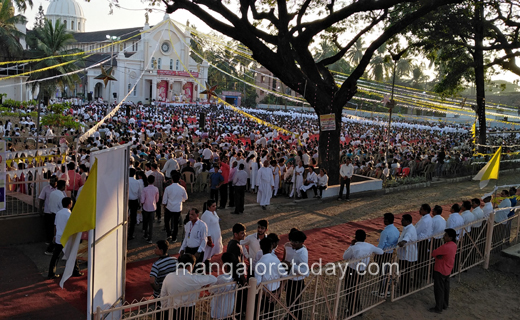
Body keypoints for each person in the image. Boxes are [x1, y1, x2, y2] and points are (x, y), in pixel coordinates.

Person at [160, 254, 217, 320]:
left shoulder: (168, 277)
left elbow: (163, 295)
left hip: (171, 309)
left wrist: (165, 308)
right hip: (188, 311)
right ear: (189, 266)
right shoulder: (194, 279)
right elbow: (213, 279)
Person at [343, 229, 384, 316]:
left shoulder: (354, 248)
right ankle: (358, 307)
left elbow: (345, 256)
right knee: (355, 288)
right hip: (362, 270)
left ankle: (352, 309)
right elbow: (381, 251)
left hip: (352, 270)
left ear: (355, 237)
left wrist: (351, 245)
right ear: (365, 237)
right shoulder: (369, 246)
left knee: (349, 290)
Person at [47, 197, 83, 279]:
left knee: (55, 256)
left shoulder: (58, 213)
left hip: (59, 237)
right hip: (67, 238)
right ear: (69, 204)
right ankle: (75, 271)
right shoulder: (70, 215)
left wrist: (55, 235)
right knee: (72, 254)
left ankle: (51, 273)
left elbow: (55, 226)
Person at [429, 229, 457, 314]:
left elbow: (434, 253)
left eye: (446, 235)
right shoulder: (454, 245)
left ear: (450, 237)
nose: (444, 237)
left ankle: (438, 307)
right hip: (448, 269)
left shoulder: (445, 247)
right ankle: (444, 304)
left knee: (439, 289)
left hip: (440, 269)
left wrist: (437, 256)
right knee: (445, 288)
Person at [255, 237, 284, 319]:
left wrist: (268, 295)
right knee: (270, 313)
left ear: (261, 247)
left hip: (264, 293)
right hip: (275, 290)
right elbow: (285, 277)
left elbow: (258, 284)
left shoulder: (259, 263)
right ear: (272, 248)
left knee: (257, 312)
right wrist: (277, 293)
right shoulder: (276, 260)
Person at [209, 252, 241, 320]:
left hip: (218, 309)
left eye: (221, 261)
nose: (220, 262)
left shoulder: (222, 278)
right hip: (229, 308)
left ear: (225, 266)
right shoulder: (237, 276)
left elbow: (211, 289)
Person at [375, 212, 399, 297]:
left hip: (384, 254)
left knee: (382, 273)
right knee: (387, 272)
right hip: (391, 252)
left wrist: (377, 253)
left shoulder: (385, 232)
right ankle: (387, 290)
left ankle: (382, 291)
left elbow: (381, 245)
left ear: (387, 220)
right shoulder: (396, 229)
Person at [286, 230, 308, 320]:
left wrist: (291, 265)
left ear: (301, 242)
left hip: (297, 282)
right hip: (291, 280)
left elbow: (305, 271)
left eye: (295, 242)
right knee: (290, 303)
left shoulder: (302, 254)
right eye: (292, 241)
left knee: (295, 304)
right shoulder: (297, 250)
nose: (292, 244)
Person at [162, 171, 188, 242]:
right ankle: (174, 237)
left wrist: (164, 204)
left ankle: (169, 234)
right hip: (177, 207)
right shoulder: (182, 188)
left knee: (167, 221)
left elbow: (164, 200)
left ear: (172, 180)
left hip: (169, 207)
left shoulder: (168, 188)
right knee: (176, 223)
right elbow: (186, 198)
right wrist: (181, 200)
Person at [179, 208, 207, 272]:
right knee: (188, 269)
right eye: (189, 214)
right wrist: (182, 249)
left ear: (197, 215)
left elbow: (204, 239)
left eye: (192, 214)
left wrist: (199, 251)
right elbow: (186, 238)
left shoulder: (202, 225)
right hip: (188, 250)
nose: (190, 216)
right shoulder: (188, 224)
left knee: (197, 269)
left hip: (197, 250)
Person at [397, 214, 418, 295]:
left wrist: (401, 242)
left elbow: (406, 238)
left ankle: (404, 290)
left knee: (405, 273)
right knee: (405, 273)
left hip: (407, 256)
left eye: (403, 220)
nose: (401, 221)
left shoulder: (410, 229)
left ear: (408, 221)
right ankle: (403, 288)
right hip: (406, 254)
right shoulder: (408, 227)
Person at [201, 200, 224, 271]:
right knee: (208, 251)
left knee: (212, 251)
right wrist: (209, 238)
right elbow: (206, 227)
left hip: (216, 234)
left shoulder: (214, 213)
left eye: (215, 206)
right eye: (213, 206)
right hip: (211, 235)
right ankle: (204, 264)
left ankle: (207, 262)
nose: (215, 207)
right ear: (208, 207)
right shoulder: (206, 215)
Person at [414, 204, 432, 286]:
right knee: (422, 260)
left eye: (421, 209)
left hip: (421, 241)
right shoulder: (427, 218)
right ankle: (419, 277)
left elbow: (416, 231)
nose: (419, 210)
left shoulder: (424, 220)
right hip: (425, 240)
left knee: (419, 261)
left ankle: (417, 280)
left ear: (425, 210)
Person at [40, 177, 57, 254]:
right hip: (48, 211)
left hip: (56, 212)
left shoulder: (59, 189)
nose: (52, 182)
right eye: (51, 181)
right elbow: (41, 199)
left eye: (53, 181)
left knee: (54, 227)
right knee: (48, 227)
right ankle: (49, 241)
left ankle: (52, 241)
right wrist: (40, 209)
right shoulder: (45, 188)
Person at [141, 175, 159, 244]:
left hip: (146, 207)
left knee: (145, 222)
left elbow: (142, 200)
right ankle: (150, 238)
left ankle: (145, 234)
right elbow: (157, 199)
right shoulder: (156, 189)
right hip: (153, 207)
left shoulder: (145, 189)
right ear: (154, 181)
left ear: (147, 181)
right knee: (151, 223)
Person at [128, 168, 142, 240]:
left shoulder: (125, 180)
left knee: (125, 217)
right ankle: (130, 234)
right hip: (134, 201)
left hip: (126, 201)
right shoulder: (137, 182)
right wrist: (140, 202)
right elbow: (139, 194)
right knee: (133, 218)